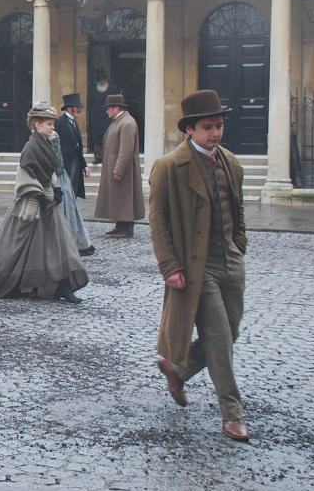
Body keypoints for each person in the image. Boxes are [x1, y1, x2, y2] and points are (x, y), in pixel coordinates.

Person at [150, 90, 249, 442]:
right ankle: (232, 414)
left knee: (231, 332)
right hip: (197, 266)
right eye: (208, 127)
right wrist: (170, 266)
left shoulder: (231, 163)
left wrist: (239, 244)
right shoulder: (168, 168)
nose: (216, 133)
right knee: (219, 340)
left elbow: (237, 209)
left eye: (219, 126)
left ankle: (178, 368)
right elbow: (158, 222)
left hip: (229, 262)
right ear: (190, 130)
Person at [0, 102, 87, 303]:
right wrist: (37, 193)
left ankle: (63, 285)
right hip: (32, 204)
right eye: (49, 124)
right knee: (18, 245)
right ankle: (3, 281)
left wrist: (56, 188)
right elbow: (25, 172)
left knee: (60, 243)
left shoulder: (47, 143)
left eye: (53, 124)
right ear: (37, 124)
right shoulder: (31, 146)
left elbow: (49, 170)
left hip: (48, 202)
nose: (53, 127)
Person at [94, 94, 143, 239]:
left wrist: (119, 169)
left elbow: (126, 149)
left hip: (123, 169)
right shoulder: (119, 121)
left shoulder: (126, 123)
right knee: (118, 198)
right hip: (113, 166)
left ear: (116, 108)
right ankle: (120, 225)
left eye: (109, 108)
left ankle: (127, 228)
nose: (107, 111)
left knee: (125, 198)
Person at [54, 93, 94, 256]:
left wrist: (84, 166)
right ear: (71, 109)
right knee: (66, 199)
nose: (79, 112)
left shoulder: (74, 124)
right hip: (65, 165)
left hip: (75, 165)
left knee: (73, 197)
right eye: (77, 109)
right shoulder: (60, 122)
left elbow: (78, 147)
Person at [88, 68, 119, 164]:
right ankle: (98, 157)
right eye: (100, 81)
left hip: (108, 117)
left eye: (103, 81)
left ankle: (108, 156)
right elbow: (91, 103)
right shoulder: (93, 89)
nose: (101, 82)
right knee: (97, 138)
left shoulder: (112, 88)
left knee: (109, 137)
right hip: (96, 117)